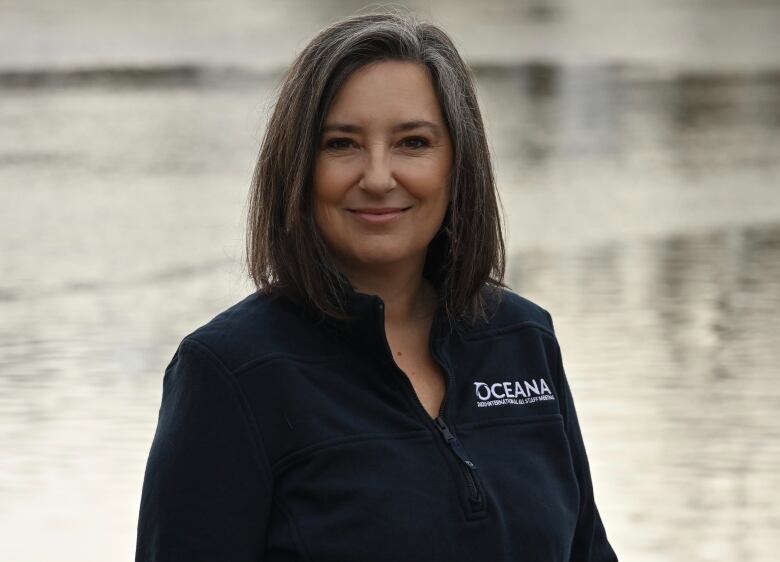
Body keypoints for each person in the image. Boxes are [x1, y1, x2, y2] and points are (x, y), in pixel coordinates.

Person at [134, 10, 618, 562]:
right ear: (296, 166)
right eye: (342, 144)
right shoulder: (229, 372)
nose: (380, 177)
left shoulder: (522, 337)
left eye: (413, 143)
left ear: (458, 164)